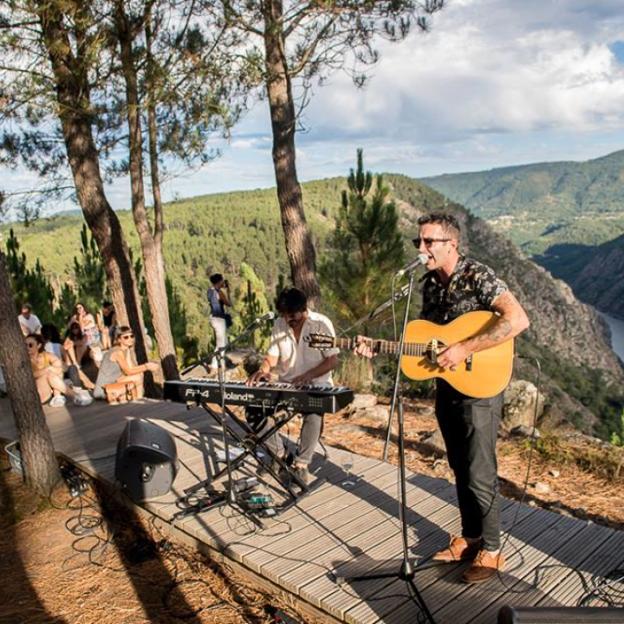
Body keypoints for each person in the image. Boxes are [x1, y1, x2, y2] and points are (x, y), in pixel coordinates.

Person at [356, 212, 529, 584]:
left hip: (482, 385)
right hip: (448, 386)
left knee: (480, 470)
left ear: (452, 244)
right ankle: (471, 537)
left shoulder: (477, 275)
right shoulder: (430, 284)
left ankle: (494, 550)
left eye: (428, 242)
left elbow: (516, 320)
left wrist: (465, 347)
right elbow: (427, 339)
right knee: (459, 465)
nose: (421, 248)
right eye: (418, 242)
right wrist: (382, 347)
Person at [247, 287, 339, 485]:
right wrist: (263, 370)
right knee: (253, 408)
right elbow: (271, 357)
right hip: (285, 383)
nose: (289, 320)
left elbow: (332, 361)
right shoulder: (279, 324)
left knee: (314, 412)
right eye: (285, 316)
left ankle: (301, 465)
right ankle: (279, 455)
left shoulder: (321, 324)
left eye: (293, 315)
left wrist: (308, 376)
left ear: (304, 309)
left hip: (315, 384)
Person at [93, 326, 159, 401]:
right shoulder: (117, 352)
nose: (130, 339)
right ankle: (139, 400)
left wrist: (146, 367)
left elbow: (130, 368)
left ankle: (139, 399)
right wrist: (147, 366)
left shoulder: (126, 349)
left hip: (115, 380)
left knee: (139, 375)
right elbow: (128, 371)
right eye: (126, 337)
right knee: (137, 377)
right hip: (103, 389)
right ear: (119, 339)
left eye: (131, 336)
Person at [26, 334, 92, 407]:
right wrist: (47, 369)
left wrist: (52, 369)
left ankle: (57, 396)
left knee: (56, 370)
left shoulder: (46, 355)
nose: (27, 347)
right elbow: (31, 375)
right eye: (25, 345)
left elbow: (60, 367)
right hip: (38, 392)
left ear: (39, 345)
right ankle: (75, 396)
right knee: (50, 372)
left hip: (49, 389)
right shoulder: (25, 360)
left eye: (30, 345)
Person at [207, 273, 232, 373]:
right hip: (219, 319)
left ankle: (219, 364)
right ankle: (215, 366)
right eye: (222, 280)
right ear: (219, 281)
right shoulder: (219, 292)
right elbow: (229, 304)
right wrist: (228, 292)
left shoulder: (209, 291)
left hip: (213, 317)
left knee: (223, 342)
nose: (223, 282)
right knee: (221, 343)